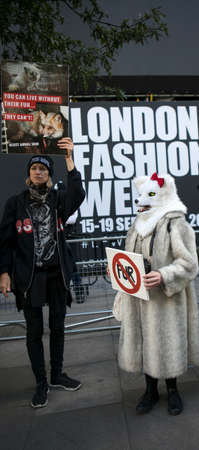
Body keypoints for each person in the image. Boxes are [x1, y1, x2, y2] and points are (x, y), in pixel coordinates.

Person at [0, 137, 86, 408]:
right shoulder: (15, 204)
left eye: (44, 169)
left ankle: (57, 373)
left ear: (49, 175)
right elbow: (5, 242)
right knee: (34, 331)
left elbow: (78, 194)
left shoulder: (59, 200)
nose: (38, 172)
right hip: (30, 277)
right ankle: (40, 382)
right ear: (29, 173)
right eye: (34, 168)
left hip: (55, 274)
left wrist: (69, 158)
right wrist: (4, 272)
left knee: (58, 326)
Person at [113, 173, 199, 415]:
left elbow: (190, 263)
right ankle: (150, 390)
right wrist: (122, 276)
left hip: (166, 300)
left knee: (168, 342)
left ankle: (173, 390)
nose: (141, 201)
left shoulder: (177, 223)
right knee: (146, 342)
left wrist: (165, 274)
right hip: (140, 297)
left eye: (149, 195)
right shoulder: (138, 223)